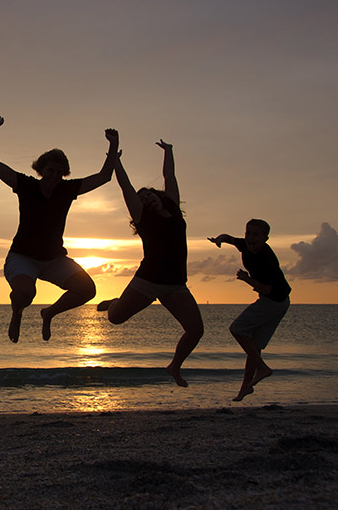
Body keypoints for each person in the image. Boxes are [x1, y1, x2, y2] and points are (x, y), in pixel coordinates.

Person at [0, 114, 117, 343]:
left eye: (59, 172)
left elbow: (104, 177)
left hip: (55, 259)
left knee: (87, 290)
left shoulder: (67, 190)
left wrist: (113, 145)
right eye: (51, 170)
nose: (55, 176)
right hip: (22, 257)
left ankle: (49, 313)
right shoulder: (26, 185)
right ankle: (17, 313)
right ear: (41, 169)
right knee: (24, 294)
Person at [99, 140, 203, 387]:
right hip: (147, 281)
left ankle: (174, 366)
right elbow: (125, 187)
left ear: (158, 196)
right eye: (142, 198)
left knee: (196, 330)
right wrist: (116, 159)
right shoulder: (144, 218)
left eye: (149, 195)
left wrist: (169, 150)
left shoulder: (174, 208)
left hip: (176, 285)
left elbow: (170, 176)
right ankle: (115, 303)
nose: (147, 199)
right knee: (115, 319)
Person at [208, 219, 291, 401]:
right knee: (254, 346)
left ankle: (262, 368)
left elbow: (268, 289)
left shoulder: (266, 259)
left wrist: (246, 279)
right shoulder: (245, 244)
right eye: (248, 233)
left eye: (256, 234)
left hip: (274, 300)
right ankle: (246, 388)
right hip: (279, 301)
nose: (250, 238)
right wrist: (219, 240)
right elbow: (230, 238)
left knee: (237, 329)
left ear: (265, 238)